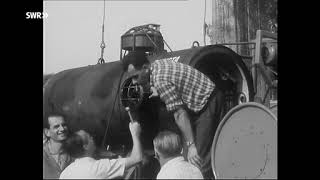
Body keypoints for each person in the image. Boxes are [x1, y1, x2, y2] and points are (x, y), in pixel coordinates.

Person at [123, 51, 225, 179]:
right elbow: (174, 84)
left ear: (145, 68)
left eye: (136, 77)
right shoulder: (156, 65)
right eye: (131, 78)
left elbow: (180, 114)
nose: (134, 82)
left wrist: (191, 145)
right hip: (204, 97)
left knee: (198, 159)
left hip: (207, 102)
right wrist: (158, 92)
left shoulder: (160, 81)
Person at [59, 121, 143, 179]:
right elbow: (137, 158)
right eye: (89, 137)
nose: (92, 138)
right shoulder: (99, 167)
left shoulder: (65, 174)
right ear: (85, 146)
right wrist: (135, 133)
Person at [43, 114, 73, 179]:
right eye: (56, 126)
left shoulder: (74, 152)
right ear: (47, 132)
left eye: (64, 125)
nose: (62, 129)